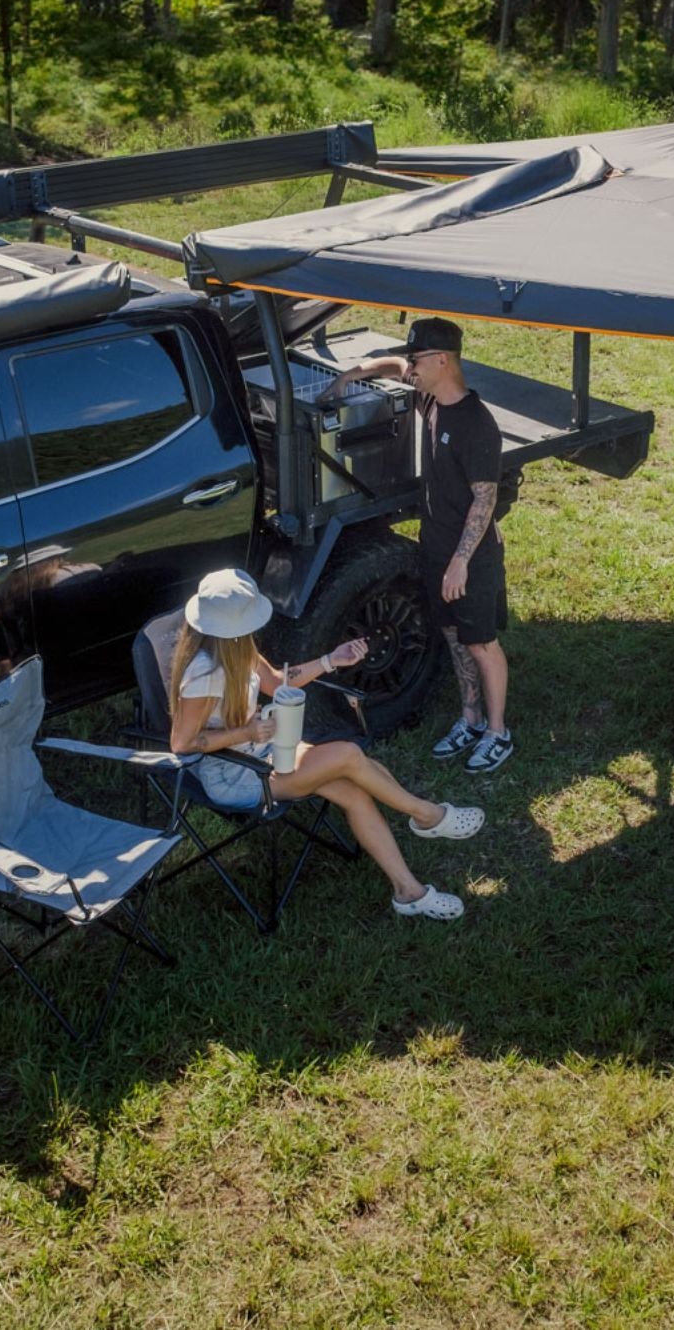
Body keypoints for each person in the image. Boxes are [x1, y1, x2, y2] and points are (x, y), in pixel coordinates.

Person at [167, 567, 484, 920]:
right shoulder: (204, 675)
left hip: (264, 752)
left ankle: (409, 892)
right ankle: (427, 815)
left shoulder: (237, 646)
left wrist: (332, 659)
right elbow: (182, 743)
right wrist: (244, 733)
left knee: (353, 790)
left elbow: (275, 681)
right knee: (348, 755)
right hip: (237, 775)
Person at [324, 316, 514, 774]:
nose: (411, 368)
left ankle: (497, 732)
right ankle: (469, 720)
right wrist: (361, 371)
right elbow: (394, 366)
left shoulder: (476, 425)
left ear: (443, 360)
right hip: (435, 548)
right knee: (451, 636)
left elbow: (484, 500)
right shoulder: (430, 399)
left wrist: (460, 563)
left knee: (481, 642)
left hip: (469, 559)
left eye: (418, 359)